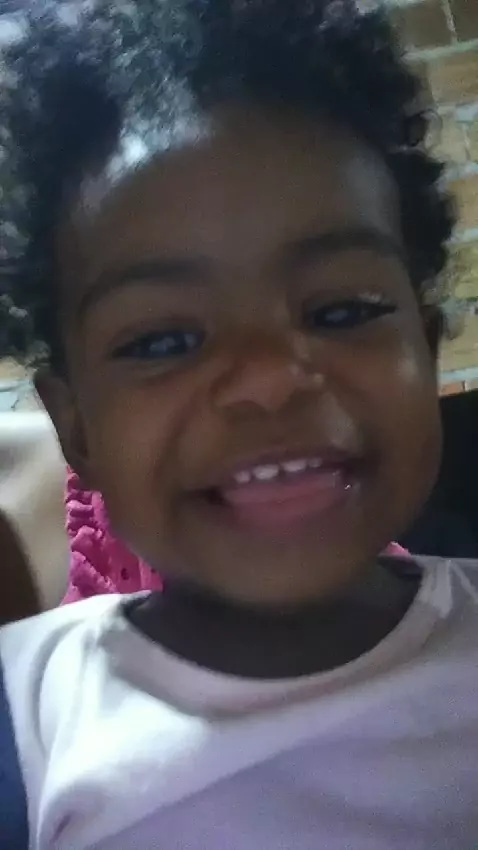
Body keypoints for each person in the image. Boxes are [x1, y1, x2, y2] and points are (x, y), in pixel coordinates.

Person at [0, 1, 476, 848]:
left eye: (342, 310)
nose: (266, 378)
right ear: (76, 428)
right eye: (163, 341)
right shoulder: (25, 724)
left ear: (427, 350)